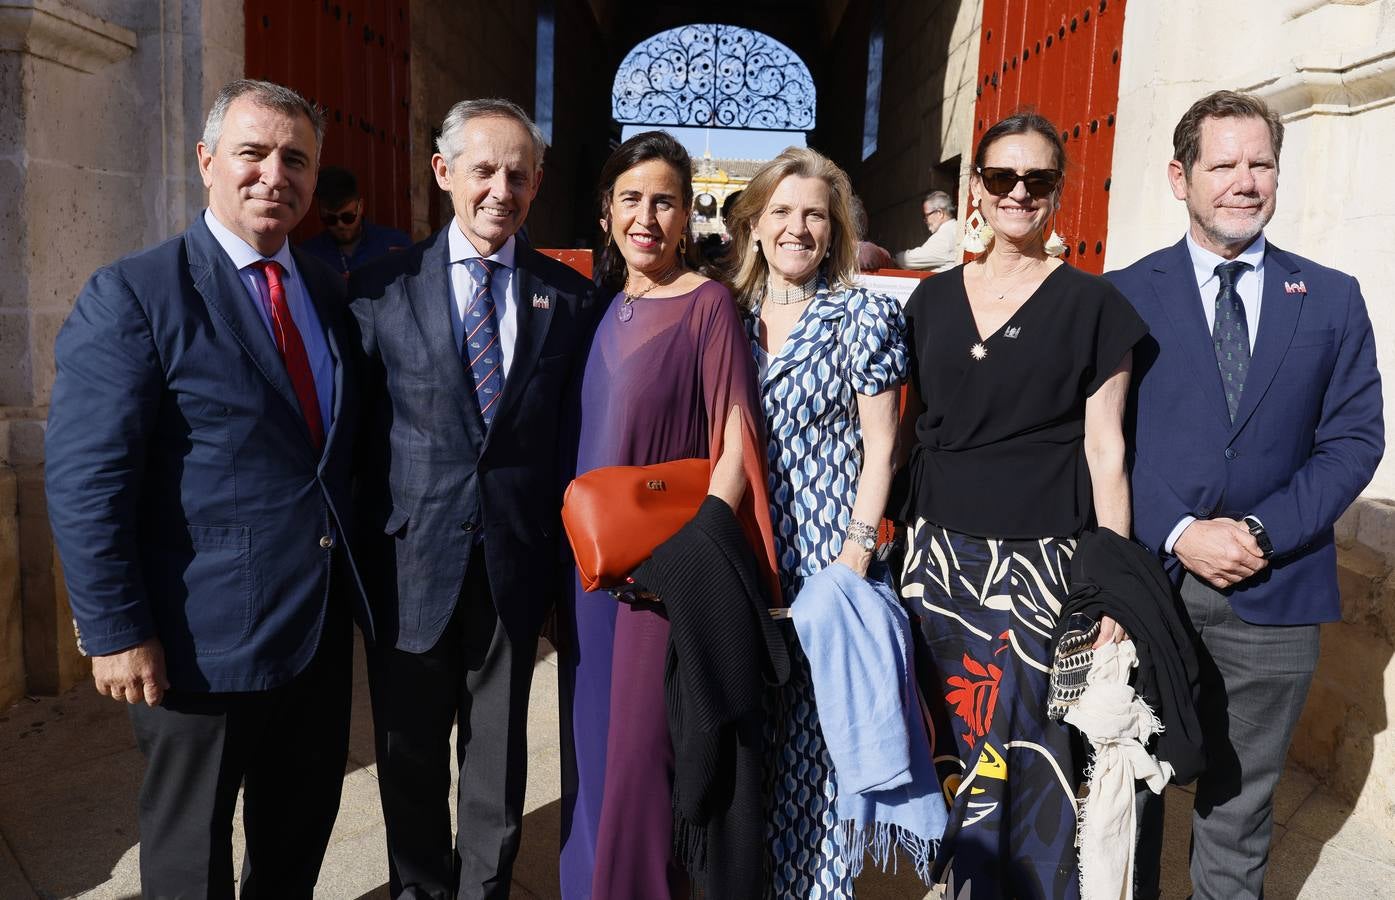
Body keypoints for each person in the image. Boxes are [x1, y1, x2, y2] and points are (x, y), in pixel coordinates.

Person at [45, 78, 370, 896]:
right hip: (196, 643)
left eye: (295, 159)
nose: (275, 175)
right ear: (206, 161)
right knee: (190, 859)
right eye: (252, 153)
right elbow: (88, 478)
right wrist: (113, 628)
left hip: (317, 633)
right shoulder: (135, 294)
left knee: (295, 842)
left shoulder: (330, 293)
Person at [1108, 90, 1383, 900]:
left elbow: (1352, 440)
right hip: (1147, 587)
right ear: (1178, 176)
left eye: (1259, 163)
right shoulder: (1120, 295)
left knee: (1238, 805)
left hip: (1276, 590)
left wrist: (1259, 530)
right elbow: (1099, 441)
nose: (1243, 181)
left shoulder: (1330, 297)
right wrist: (1180, 529)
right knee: (1131, 789)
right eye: (1222, 163)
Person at [349, 98, 596, 899]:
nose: (501, 189)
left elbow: (569, 439)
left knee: (495, 758)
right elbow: (351, 435)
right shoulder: (378, 288)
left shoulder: (568, 297)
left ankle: (483, 890)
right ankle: (420, 890)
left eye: (518, 174)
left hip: (514, 564)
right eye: (483, 169)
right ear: (442, 172)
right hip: (408, 560)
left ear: (537, 183)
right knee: (409, 753)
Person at [895, 112, 1147, 898]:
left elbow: (1105, 447)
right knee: (945, 737)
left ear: (1056, 195)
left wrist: (1111, 578)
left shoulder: (1093, 306)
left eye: (1035, 180)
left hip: (1039, 561)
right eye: (1000, 177)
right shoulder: (928, 301)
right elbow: (900, 432)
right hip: (933, 559)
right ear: (975, 188)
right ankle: (949, 885)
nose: (1016, 193)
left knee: (1025, 746)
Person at [557, 130, 778, 900]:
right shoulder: (597, 306)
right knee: (589, 756)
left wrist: (696, 562)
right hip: (588, 579)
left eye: (665, 201)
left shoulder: (707, 305)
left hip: (660, 580)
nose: (645, 216)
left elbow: (734, 442)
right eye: (630, 199)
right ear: (605, 210)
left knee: (644, 764)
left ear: (689, 214)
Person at [724, 147, 910, 895]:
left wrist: (853, 561)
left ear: (834, 232)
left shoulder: (860, 315)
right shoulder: (723, 317)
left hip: (828, 567)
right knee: (751, 748)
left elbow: (883, 447)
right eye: (781, 212)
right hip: (744, 562)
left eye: (813, 216)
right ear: (754, 224)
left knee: (820, 748)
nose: (796, 228)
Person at [299, 165, 411, 276]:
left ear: (360, 206)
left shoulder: (394, 243)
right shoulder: (309, 255)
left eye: (347, 217)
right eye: (330, 219)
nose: (340, 225)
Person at [895, 190, 959, 271]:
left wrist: (895, 257)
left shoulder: (944, 237)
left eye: (926, 215)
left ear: (939, 213)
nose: (925, 221)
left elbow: (907, 260)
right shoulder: (955, 229)